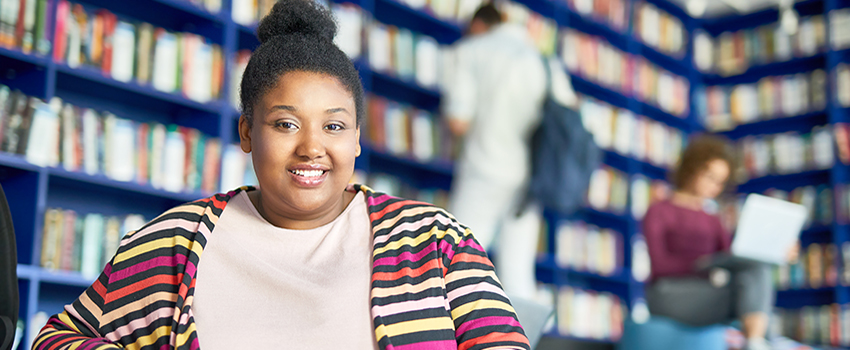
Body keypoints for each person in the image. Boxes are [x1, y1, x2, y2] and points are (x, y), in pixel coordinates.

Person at [31, 1, 530, 349]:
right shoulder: (175, 244)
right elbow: (55, 339)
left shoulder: (435, 240)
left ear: (356, 138)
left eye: (334, 125)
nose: (312, 147)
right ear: (248, 132)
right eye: (285, 123)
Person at [443, 2, 577, 300]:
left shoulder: (470, 51)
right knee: (517, 273)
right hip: (530, 179)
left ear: (477, 25)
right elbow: (570, 110)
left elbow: (458, 122)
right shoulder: (543, 60)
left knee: (455, 262)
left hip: (485, 168)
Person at [643, 135, 795, 350]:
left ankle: (755, 342)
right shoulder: (659, 211)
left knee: (756, 269)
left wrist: (775, 253)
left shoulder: (713, 219)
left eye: (720, 181)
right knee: (749, 292)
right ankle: (764, 341)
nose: (714, 186)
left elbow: (733, 259)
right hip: (668, 294)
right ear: (691, 168)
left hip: (708, 291)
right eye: (709, 177)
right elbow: (659, 266)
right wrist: (703, 263)